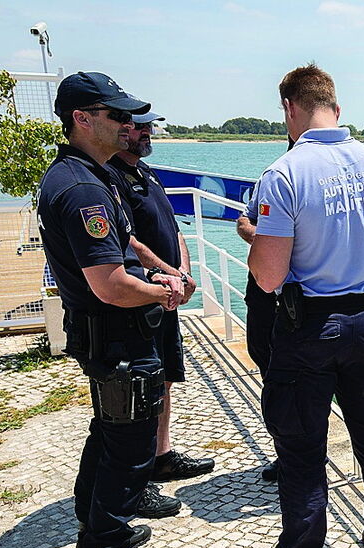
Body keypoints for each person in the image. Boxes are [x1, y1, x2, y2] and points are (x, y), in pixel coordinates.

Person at [236, 64, 364, 548]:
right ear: (334, 103)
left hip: (308, 327)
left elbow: (267, 276)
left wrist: (259, 239)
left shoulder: (284, 174)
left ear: (290, 107)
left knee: (303, 453)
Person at [37, 71, 180, 548]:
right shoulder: (81, 190)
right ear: (82, 119)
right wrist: (162, 295)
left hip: (110, 338)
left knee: (106, 437)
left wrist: (163, 271)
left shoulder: (90, 177)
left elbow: (126, 244)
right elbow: (109, 283)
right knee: (127, 455)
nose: (128, 125)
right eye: (117, 116)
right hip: (118, 340)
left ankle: (90, 543)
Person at [106, 111, 215, 515]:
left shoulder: (146, 172)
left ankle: (160, 457)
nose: (146, 132)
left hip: (166, 292)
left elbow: (175, 227)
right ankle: (139, 480)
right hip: (145, 295)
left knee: (164, 377)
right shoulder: (110, 175)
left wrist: (183, 273)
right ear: (120, 129)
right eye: (138, 126)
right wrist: (169, 276)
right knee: (140, 387)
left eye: (148, 126)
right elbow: (128, 242)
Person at [235, 137, 295, 483]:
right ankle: (283, 451)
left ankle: (300, 456)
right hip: (260, 290)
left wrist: (271, 237)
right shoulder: (273, 179)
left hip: (298, 297)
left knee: (297, 378)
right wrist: (266, 235)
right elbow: (244, 222)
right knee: (265, 364)